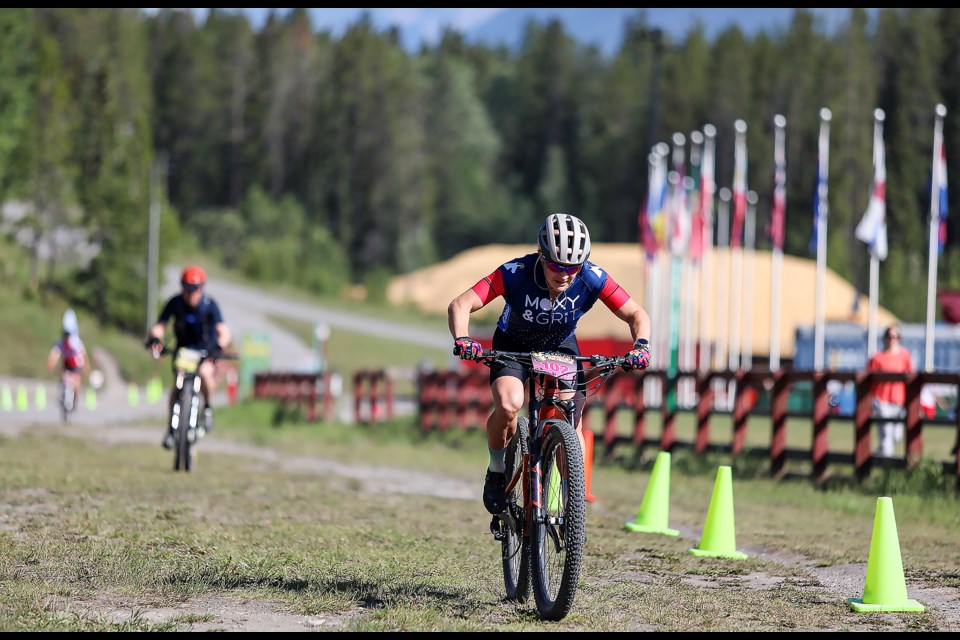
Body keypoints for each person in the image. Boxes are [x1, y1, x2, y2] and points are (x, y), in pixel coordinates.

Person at [447, 212, 652, 515]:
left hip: (561, 348)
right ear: (542, 255)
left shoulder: (592, 277)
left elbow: (637, 314)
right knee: (509, 404)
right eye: (557, 265)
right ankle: (497, 469)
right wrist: (463, 339)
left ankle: (574, 505)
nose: (565, 274)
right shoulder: (515, 272)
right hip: (513, 344)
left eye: (574, 267)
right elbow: (461, 304)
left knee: (569, 422)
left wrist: (642, 346)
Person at [146, 265, 232, 449]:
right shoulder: (175, 303)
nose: (191, 293)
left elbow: (223, 332)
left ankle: (207, 409)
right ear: (181, 287)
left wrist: (219, 347)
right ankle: (171, 427)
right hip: (182, 351)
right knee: (178, 383)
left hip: (205, 352)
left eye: (195, 289)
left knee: (205, 374)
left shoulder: (209, 305)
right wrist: (155, 338)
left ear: (202, 288)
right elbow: (160, 325)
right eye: (187, 288)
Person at [866, 324, 913, 457]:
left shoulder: (905, 356)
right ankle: (888, 468)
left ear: (899, 338)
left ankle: (878, 455)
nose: (892, 339)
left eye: (895, 336)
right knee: (886, 434)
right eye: (889, 336)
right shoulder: (877, 357)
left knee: (896, 435)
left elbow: (911, 377)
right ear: (885, 338)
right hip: (882, 400)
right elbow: (867, 378)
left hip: (899, 401)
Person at [47, 308, 90, 403]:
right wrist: (51, 366)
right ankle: (63, 395)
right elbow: (53, 356)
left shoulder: (76, 342)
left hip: (75, 364)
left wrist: (86, 367)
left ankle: (75, 399)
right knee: (64, 377)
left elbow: (83, 355)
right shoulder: (60, 344)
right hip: (66, 363)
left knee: (76, 382)